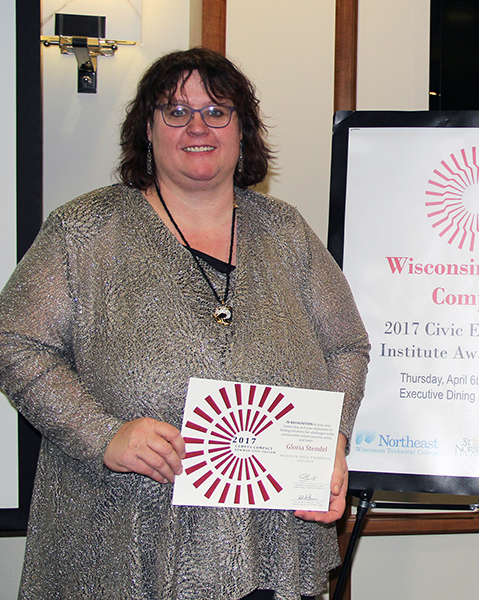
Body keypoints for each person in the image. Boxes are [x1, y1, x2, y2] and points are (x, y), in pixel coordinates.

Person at [0, 48, 369, 599]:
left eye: (217, 110)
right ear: (147, 130)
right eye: (175, 111)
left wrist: (330, 444)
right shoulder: (84, 231)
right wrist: (102, 434)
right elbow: (16, 341)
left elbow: (346, 346)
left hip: (268, 540)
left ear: (242, 131)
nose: (198, 125)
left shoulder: (286, 232)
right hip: (121, 537)